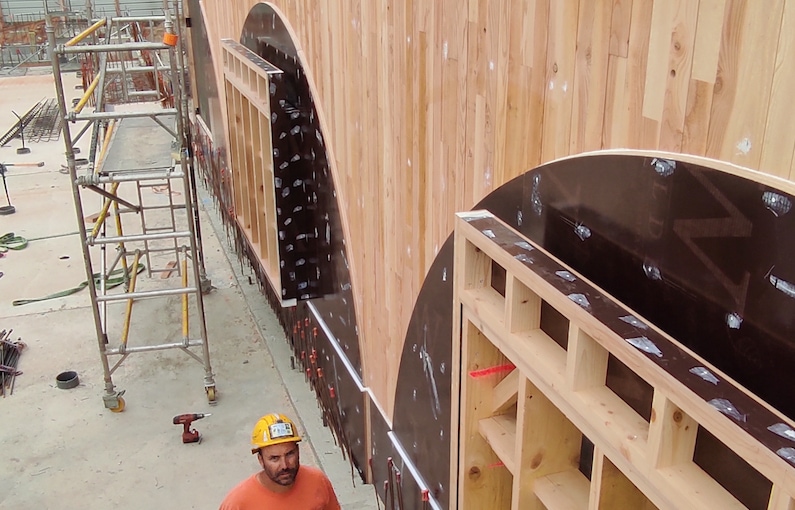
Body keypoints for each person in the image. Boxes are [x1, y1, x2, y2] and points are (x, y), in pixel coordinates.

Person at [219, 413, 341, 510]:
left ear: (298, 451)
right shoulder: (238, 503)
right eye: (274, 458)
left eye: (290, 454)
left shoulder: (317, 481)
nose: (284, 465)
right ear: (261, 459)